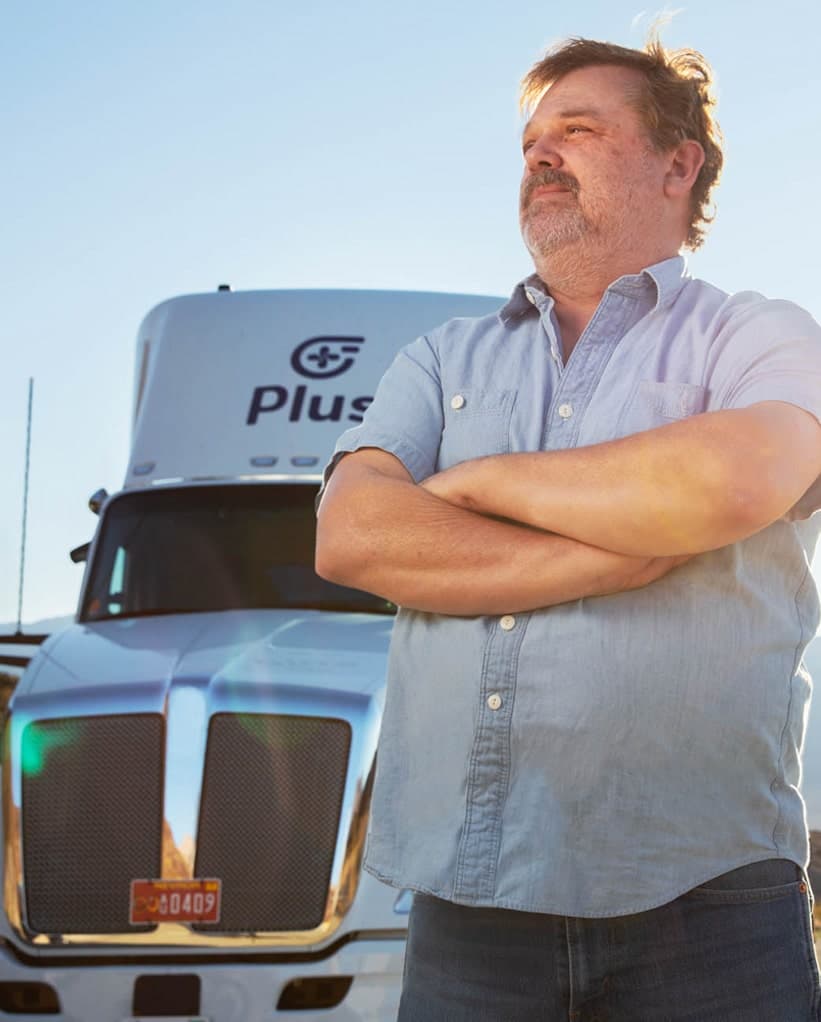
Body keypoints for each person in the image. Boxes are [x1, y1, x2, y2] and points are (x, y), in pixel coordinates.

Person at [315, 35, 821, 1021]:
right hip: (468, 913)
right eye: (530, 143)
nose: (538, 158)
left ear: (678, 164)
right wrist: (619, 544)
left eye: (576, 132)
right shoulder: (438, 356)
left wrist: (473, 483)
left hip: (707, 905)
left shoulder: (756, 334)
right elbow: (351, 536)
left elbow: (740, 474)